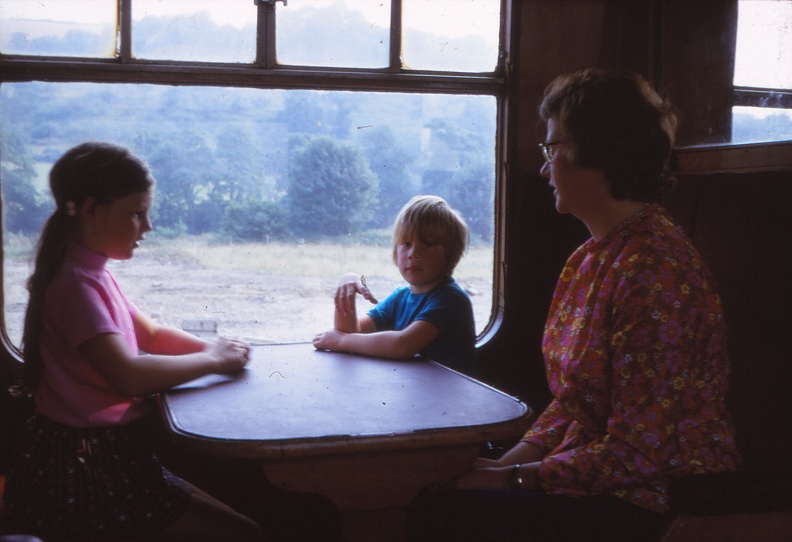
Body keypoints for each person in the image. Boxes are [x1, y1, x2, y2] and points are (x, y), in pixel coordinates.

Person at [406, 69, 741, 542]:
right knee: (434, 490)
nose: (543, 169)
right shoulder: (590, 258)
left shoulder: (656, 272)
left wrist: (513, 479)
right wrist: (503, 463)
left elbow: (638, 453)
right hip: (588, 474)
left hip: (647, 497)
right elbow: (573, 406)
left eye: (551, 149)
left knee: (441, 513)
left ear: (597, 152)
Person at [2, 142, 264, 541]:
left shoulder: (94, 274)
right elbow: (129, 375)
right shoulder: (75, 285)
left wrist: (215, 349)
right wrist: (214, 361)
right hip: (87, 467)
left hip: (110, 456)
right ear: (91, 211)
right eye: (137, 213)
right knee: (247, 534)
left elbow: (152, 335)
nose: (148, 227)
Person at [313, 194, 476, 375]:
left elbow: (402, 345)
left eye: (427, 244)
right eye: (406, 244)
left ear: (451, 254)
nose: (413, 254)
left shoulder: (450, 300)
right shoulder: (400, 298)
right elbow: (350, 331)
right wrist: (348, 283)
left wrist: (341, 341)